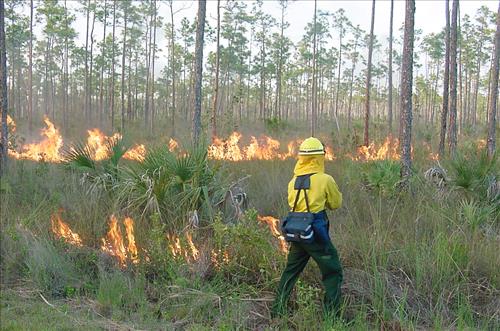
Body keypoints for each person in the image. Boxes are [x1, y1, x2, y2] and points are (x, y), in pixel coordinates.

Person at [272, 137, 343, 318]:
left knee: (291, 271)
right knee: (333, 270)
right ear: (319, 157)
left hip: (297, 232)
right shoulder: (325, 180)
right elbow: (335, 204)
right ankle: (332, 317)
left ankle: (277, 311)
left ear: (302, 158)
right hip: (315, 233)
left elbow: (292, 205)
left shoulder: (292, 182)